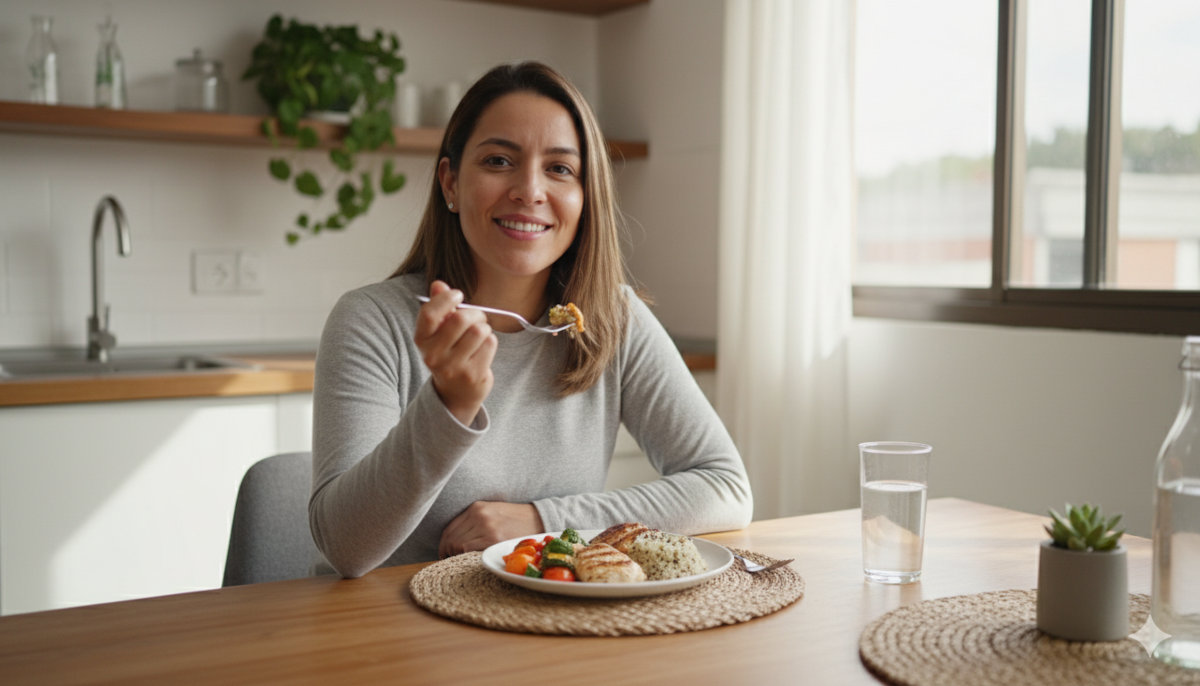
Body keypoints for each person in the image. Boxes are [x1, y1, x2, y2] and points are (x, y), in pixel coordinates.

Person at [309, 61, 752, 578]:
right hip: (391, 632)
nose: (529, 190)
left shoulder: (612, 318)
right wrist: (448, 406)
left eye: (560, 169)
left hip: (551, 631)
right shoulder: (372, 322)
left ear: (586, 198)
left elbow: (725, 488)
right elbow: (345, 547)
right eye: (499, 160)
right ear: (451, 182)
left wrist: (544, 520)